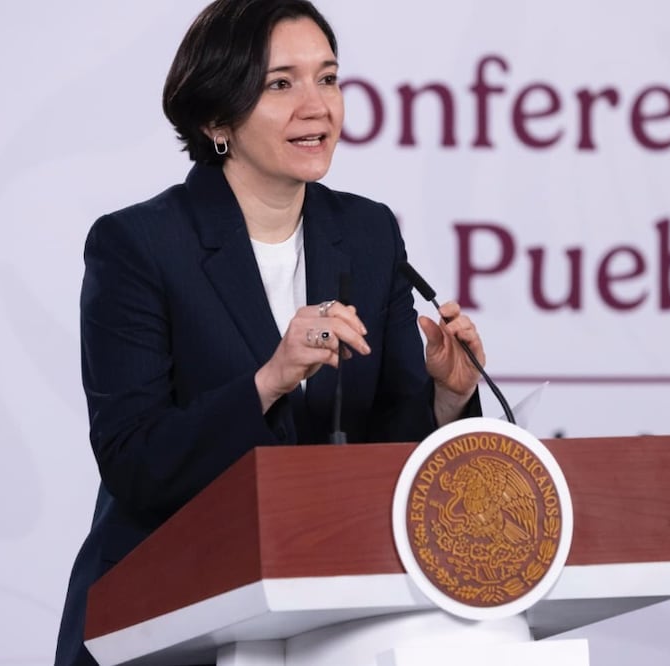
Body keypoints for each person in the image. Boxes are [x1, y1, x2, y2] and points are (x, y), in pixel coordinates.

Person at [54, 1, 486, 663]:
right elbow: (135, 462)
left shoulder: (367, 233)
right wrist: (268, 381)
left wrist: (447, 399)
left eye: (328, 78)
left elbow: (386, 453)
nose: (317, 107)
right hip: (168, 617)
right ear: (216, 118)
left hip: (334, 622)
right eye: (280, 84)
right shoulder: (139, 245)